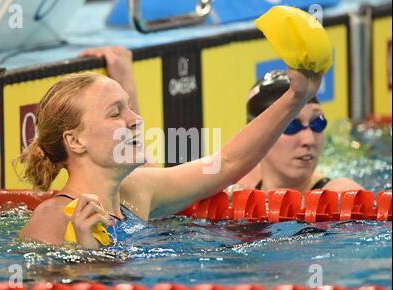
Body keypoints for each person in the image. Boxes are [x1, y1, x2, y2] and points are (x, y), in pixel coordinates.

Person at [19, 49, 323, 249]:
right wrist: (86, 261)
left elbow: (227, 163)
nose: (135, 120)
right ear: (75, 141)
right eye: (115, 113)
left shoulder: (135, 192)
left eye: (129, 108)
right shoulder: (51, 220)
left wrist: (296, 96)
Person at [236, 70, 364, 193]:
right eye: (291, 125)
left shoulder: (341, 196)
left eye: (317, 123)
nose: (309, 140)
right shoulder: (237, 185)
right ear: (257, 136)